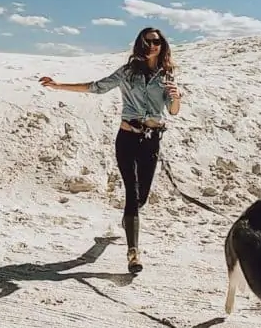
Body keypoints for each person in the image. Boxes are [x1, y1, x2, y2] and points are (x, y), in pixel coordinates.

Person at [39, 27, 182, 273]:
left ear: (162, 44)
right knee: (131, 192)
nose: (152, 45)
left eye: (156, 41)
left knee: (141, 197)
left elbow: (173, 110)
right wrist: (58, 85)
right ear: (140, 44)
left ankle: (124, 224)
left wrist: (177, 96)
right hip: (127, 138)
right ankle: (133, 252)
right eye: (147, 42)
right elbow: (97, 87)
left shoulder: (167, 75)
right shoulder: (128, 72)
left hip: (152, 140)